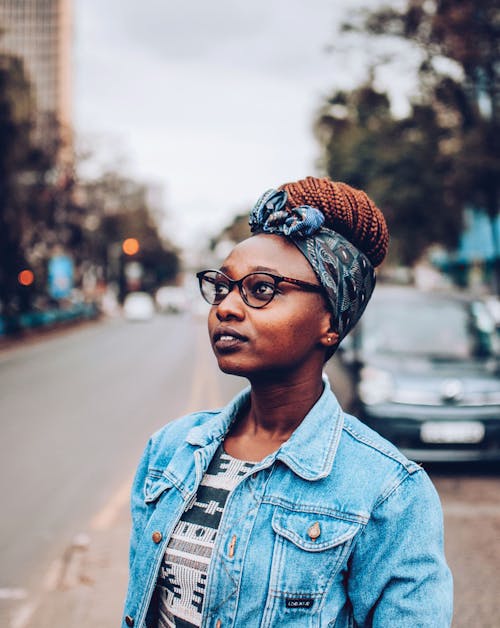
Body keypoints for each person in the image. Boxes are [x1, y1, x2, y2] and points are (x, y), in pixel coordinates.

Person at [122, 176, 453, 628]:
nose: (226, 307)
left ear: (330, 322)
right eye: (222, 287)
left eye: (261, 289)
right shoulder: (169, 451)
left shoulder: (388, 492)